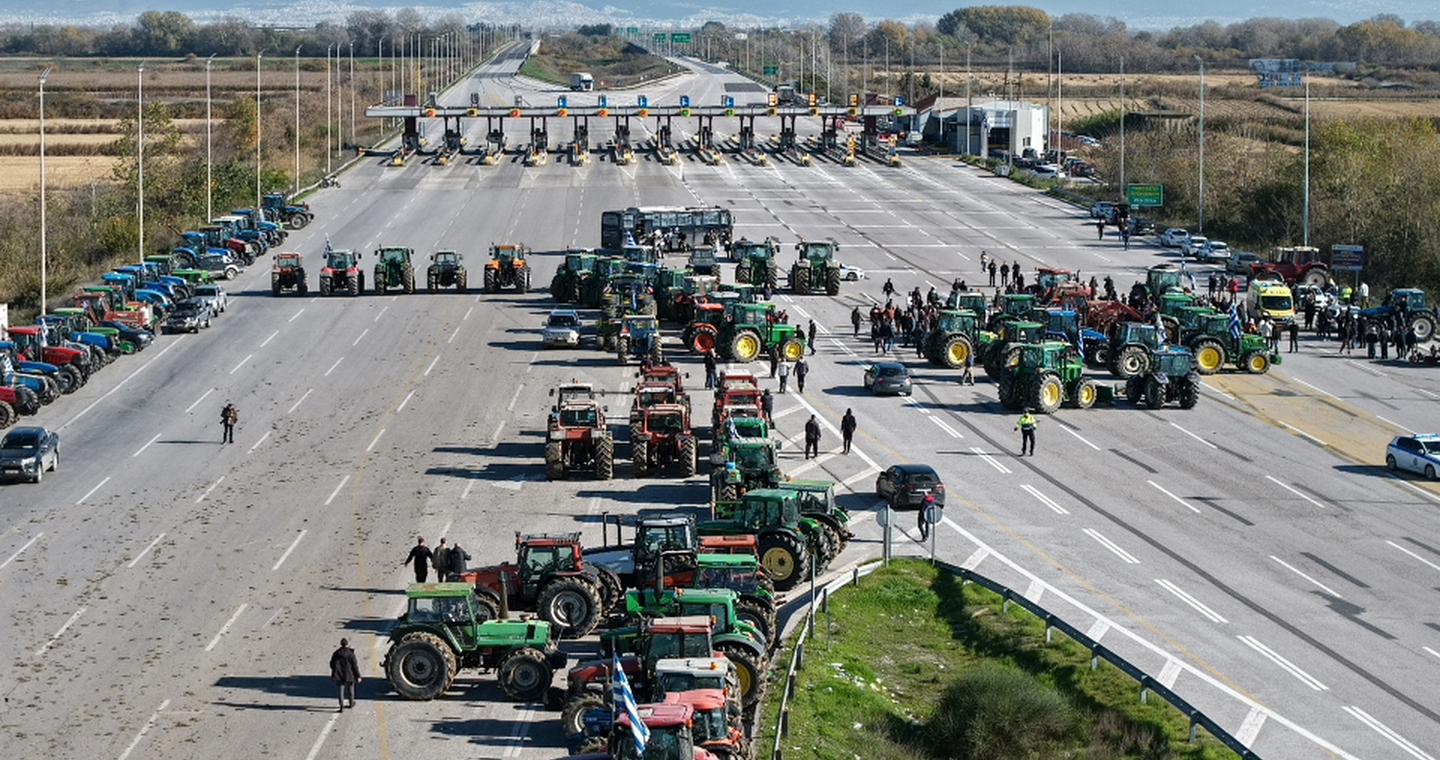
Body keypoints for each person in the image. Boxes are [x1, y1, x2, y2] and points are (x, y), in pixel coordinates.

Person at [330, 638, 361, 712]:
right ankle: (351, 703)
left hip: (339, 674)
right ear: (347, 644)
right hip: (349, 674)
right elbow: (354, 666)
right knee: (350, 689)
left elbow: (331, 663)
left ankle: (341, 706)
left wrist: (335, 671)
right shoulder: (351, 654)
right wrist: (358, 675)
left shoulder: (336, 653)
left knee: (341, 690)